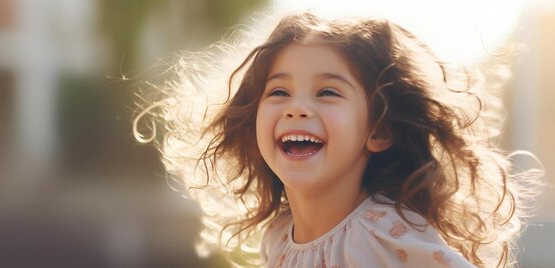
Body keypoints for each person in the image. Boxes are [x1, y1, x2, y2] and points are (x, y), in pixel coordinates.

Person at [134, 12, 542, 267]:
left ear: (378, 131)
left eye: (327, 92)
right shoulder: (279, 238)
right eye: (279, 92)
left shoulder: (386, 233)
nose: (296, 108)